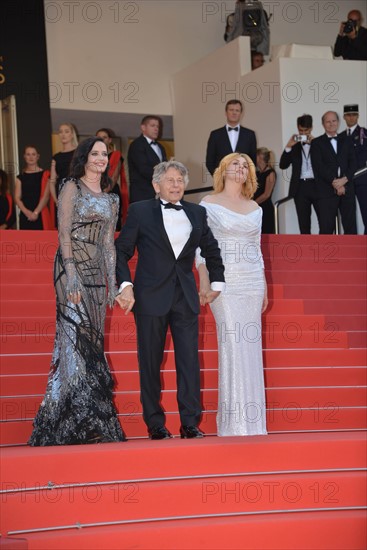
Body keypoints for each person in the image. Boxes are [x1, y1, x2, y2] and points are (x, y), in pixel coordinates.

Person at [115, 160, 225, 440]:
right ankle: (155, 424)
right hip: (150, 297)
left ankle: (190, 423)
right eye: (170, 180)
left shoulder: (197, 212)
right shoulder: (140, 211)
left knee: (189, 362)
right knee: (149, 362)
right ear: (156, 185)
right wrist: (125, 285)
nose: (176, 185)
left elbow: (211, 249)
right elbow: (122, 250)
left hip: (185, 297)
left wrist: (216, 282)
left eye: (180, 180)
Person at [29, 137, 126, 446]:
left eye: (104, 154)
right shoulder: (72, 186)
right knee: (74, 339)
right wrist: (70, 274)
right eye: (95, 153)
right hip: (70, 268)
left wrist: (112, 281)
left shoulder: (112, 199)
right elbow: (64, 231)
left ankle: (92, 421)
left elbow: (109, 244)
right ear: (84, 157)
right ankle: (69, 422)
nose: (101, 158)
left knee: (92, 343)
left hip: (97, 271)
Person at [197, 153, 268, 437]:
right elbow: (201, 248)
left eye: (245, 165)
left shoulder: (255, 207)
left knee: (250, 348)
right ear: (223, 169)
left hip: (252, 281)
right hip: (223, 281)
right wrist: (205, 281)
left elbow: (258, 249)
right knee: (232, 346)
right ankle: (233, 425)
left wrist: (263, 285)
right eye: (235, 163)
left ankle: (253, 424)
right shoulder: (208, 204)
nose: (240, 168)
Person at [310, 111, 357, 235]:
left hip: (347, 189)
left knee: (351, 228)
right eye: (328, 121)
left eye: (334, 121)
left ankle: (350, 254)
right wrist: (336, 182)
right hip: (326, 191)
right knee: (326, 228)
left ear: (338, 122)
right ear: (323, 124)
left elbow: (354, 162)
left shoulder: (348, 140)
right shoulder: (316, 143)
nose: (331, 124)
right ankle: (326, 254)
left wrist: (344, 180)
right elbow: (319, 167)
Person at [279, 114, 319, 234]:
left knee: (324, 221)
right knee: (303, 224)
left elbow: (326, 163)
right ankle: (307, 251)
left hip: (317, 186)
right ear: (297, 128)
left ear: (311, 128)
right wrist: (288, 146)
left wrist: (316, 145)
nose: (303, 133)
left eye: (306, 130)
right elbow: (283, 165)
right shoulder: (294, 146)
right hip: (300, 188)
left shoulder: (319, 144)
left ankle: (324, 248)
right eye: (300, 130)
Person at [206, 99, 257, 176]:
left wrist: (245, 178)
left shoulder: (250, 134)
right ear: (226, 113)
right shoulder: (215, 135)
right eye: (231, 110)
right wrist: (219, 179)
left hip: (243, 182)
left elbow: (252, 161)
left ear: (241, 113)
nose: (234, 113)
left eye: (237, 110)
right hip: (222, 183)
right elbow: (209, 161)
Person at [339, 104, 367, 235]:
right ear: (344, 117)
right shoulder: (340, 137)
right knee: (348, 218)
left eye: (354, 114)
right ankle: (351, 249)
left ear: (358, 116)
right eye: (349, 115)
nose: (351, 117)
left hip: (362, 180)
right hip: (346, 182)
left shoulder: (365, 134)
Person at [127, 115, 167, 203]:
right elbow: (143, 169)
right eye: (153, 126)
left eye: (158, 126)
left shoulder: (161, 147)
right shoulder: (137, 145)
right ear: (143, 127)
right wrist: (164, 177)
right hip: (142, 194)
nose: (156, 129)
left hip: (159, 194)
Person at [96, 127, 129, 229]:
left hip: (109, 192)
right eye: (98, 137)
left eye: (104, 137)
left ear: (109, 140)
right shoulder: (91, 157)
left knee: (112, 225)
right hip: (95, 193)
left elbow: (114, 178)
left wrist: (102, 194)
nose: (101, 139)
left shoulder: (116, 155)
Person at [14, 146, 51, 230]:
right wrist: (27, 212)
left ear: (38, 156)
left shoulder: (45, 175)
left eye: (33, 154)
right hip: (25, 215)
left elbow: (46, 196)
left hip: (41, 214)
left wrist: (35, 212)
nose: (31, 157)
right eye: (28, 154)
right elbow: (17, 197)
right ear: (24, 156)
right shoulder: (20, 177)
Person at [49, 123, 78, 227]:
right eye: (60, 132)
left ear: (72, 134)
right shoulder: (56, 157)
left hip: (77, 195)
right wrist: (57, 201)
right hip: (62, 196)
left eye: (66, 131)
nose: (63, 134)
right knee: (63, 230)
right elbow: (52, 182)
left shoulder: (79, 153)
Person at [255, 147, 276, 233]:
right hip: (256, 208)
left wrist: (253, 203)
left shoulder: (271, 173)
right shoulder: (257, 173)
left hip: (265, 209)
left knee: (266, 233)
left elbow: (266, 194)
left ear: (260, 157)